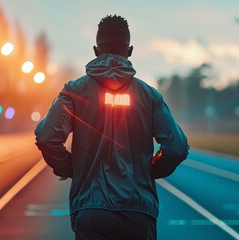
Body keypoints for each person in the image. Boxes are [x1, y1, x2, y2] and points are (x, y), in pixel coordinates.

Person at [34, 14, 189, 240]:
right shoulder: (149, 96)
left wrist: (69, 167)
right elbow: (177, 147)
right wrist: (150, 170)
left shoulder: (74, 91)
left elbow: (47, 137)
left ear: (96, 50)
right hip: (138, 212)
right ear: (130, 50)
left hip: (90, 210)